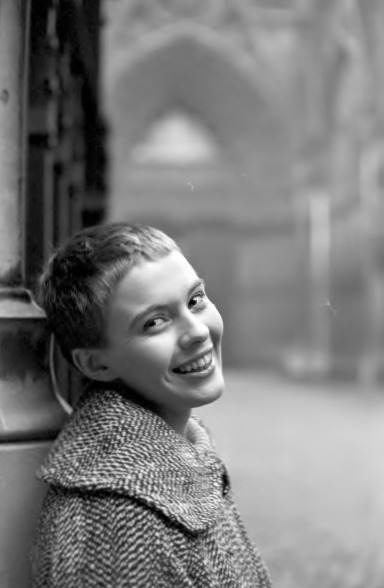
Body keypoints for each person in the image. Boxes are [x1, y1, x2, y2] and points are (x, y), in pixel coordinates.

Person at [31, 222, 272, 587]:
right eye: (155, 322)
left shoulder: (180, 455)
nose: (198, 331)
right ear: (96, 363)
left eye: (195, 300)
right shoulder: (114, 521)